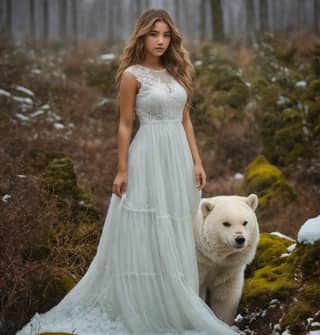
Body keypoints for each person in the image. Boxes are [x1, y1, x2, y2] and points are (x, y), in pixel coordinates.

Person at [16, 9, 237, 335]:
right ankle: (147, 302)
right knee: (147, 224)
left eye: (165, 35)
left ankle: (175, 295)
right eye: (153, 34)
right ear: (142, 36)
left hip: (177, 156)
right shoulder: (132, 75)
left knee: (176, 223)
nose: (160, 41)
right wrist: (121, 170)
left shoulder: (177, 72)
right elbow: (124, 125)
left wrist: (197, 160)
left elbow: (185, 119)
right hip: (147, 153)